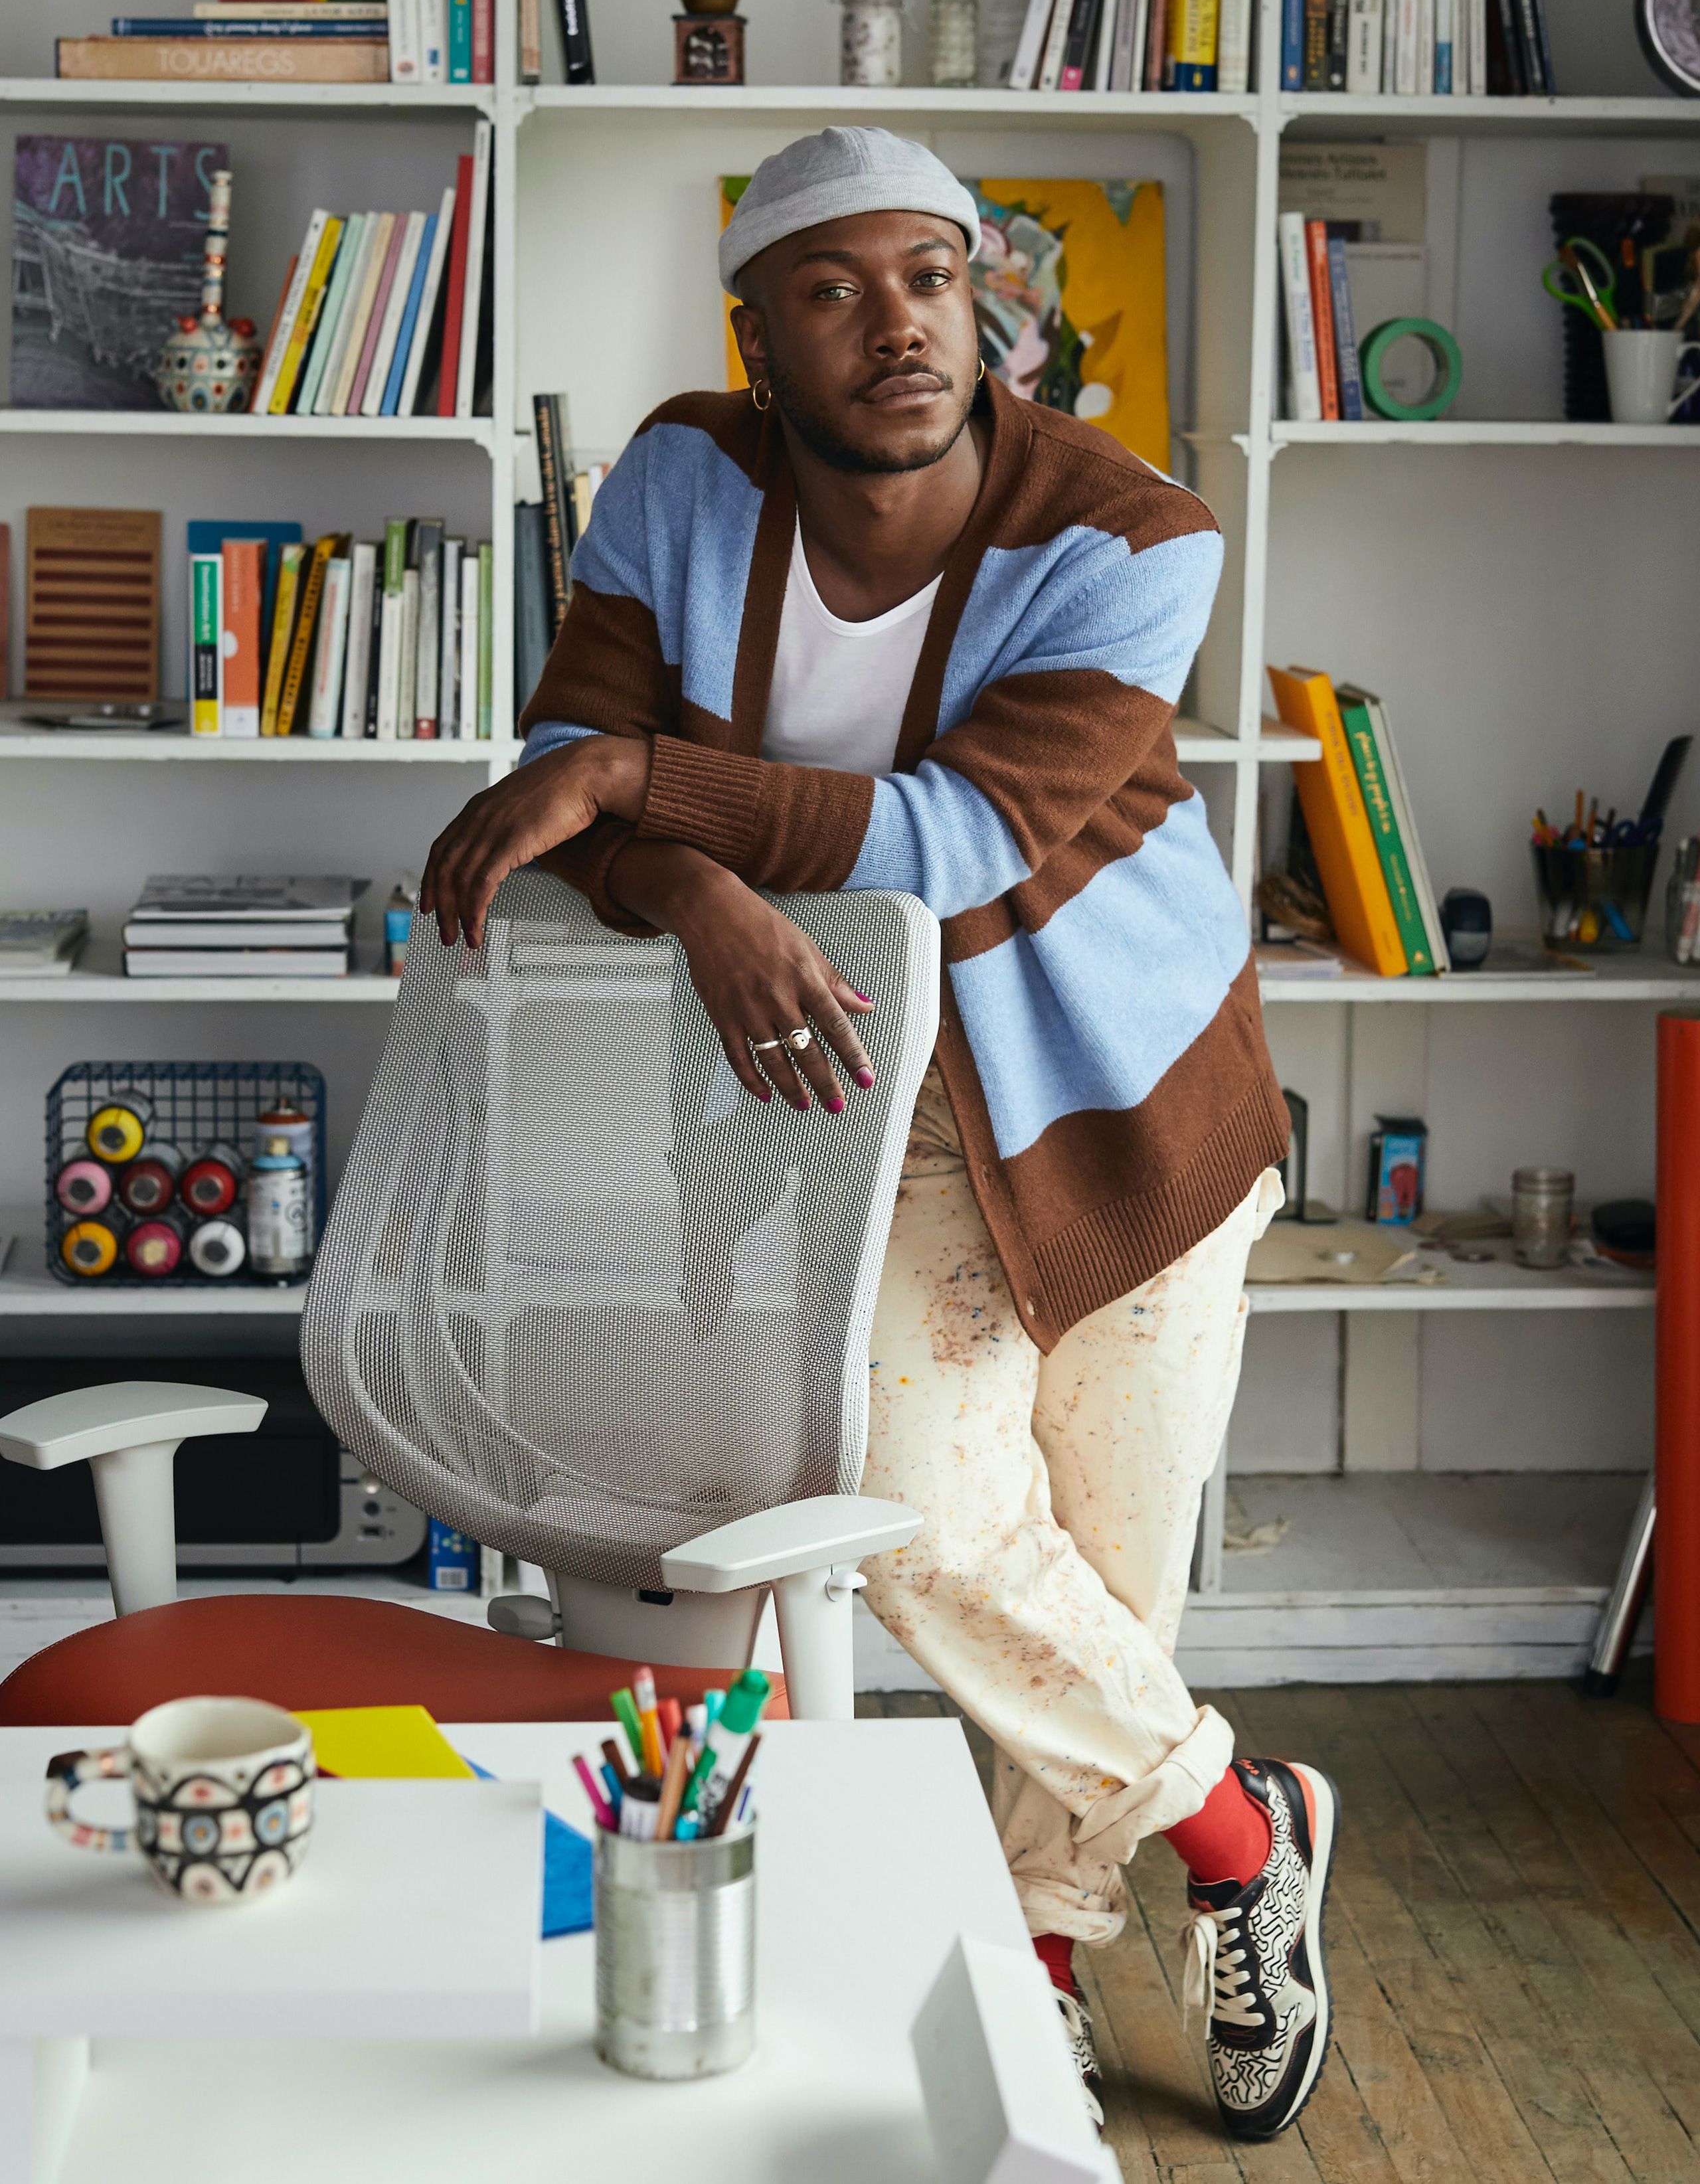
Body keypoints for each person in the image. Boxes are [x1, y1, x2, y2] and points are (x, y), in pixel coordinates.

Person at [421, 127, 1337, 2143]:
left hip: (1125, 1091)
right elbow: (566, 781)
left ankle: (1038, 1969)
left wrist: (644, 789)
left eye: (931, 274)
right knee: (922, 1512)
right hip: (844, 1092)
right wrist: (696, 890)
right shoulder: (684, 476)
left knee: (1101, 1572)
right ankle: (1238, 1824)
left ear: (979, 294)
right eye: (833, 289)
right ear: (756, 337)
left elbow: (956, 835)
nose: (901, 323)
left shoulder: (1133, 534)